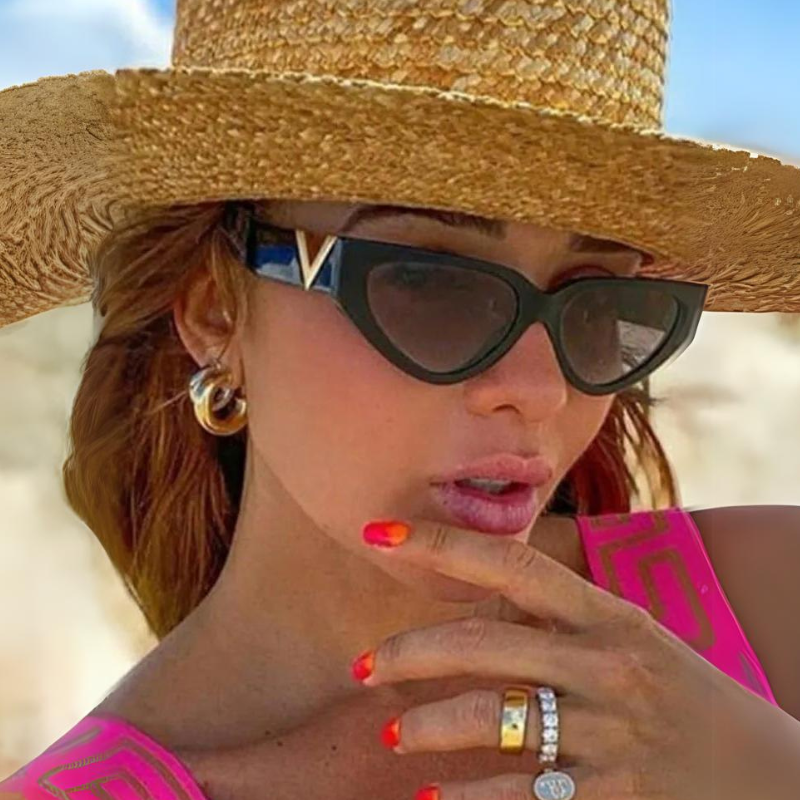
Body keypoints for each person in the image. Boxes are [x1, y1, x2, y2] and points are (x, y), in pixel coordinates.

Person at [1, 1, 799, 799]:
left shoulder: (773, 599)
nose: (538, 389)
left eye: (598, 301)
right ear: (215, 308)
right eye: (430, 284)